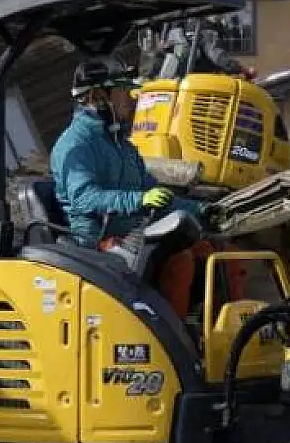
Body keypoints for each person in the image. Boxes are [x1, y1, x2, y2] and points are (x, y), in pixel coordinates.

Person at [49, 55, 215, 319]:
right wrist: (138, 200)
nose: (131, 97)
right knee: (179, 262)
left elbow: (158, 196)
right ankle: (177, 340)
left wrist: (203, 209)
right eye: (122, 91)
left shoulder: (121, 144)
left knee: (207, 248)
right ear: (97, 96)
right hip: (94, 247)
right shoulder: (74, 146)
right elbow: (83, 198)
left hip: (131, 235)